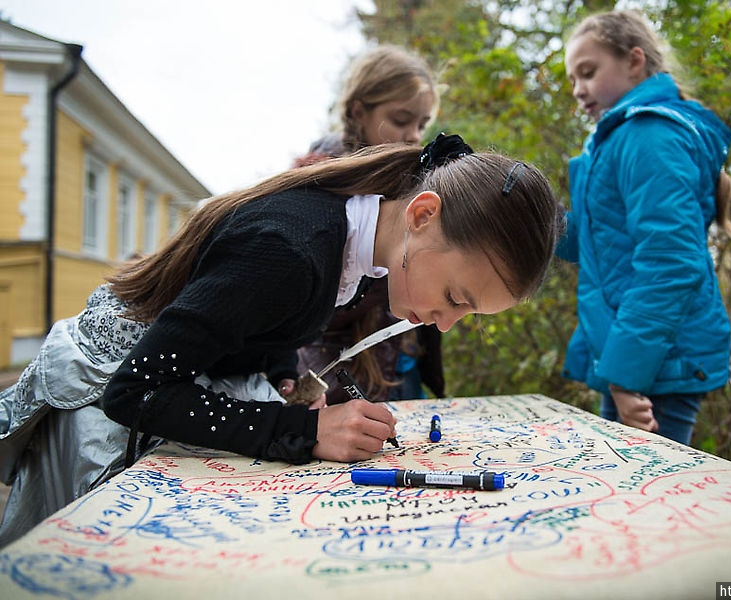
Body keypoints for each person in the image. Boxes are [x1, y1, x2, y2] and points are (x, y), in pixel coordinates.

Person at [0, 133, 561, 545]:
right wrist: (304, 430)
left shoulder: (348, 239)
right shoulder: (292, 249)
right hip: (97, 419)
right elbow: (136, 392)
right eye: (458, 298)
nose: (443, 323)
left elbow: (248, 324)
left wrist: (287, 380)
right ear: (422, 213)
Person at [558, 10, 731, 444]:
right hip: (635, 360)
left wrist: (625, 379)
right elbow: (597, 245)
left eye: (588, 72)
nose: (578, 89)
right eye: (572, 79)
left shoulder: (649, 136)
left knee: (653, 502)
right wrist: (520, 218)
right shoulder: (618, 138)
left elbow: (670, 263)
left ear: (634, 61)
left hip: (655, 364)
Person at [290, 46, 445, 405]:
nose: (412, 135)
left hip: (402, 361)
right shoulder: (320, 182)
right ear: (359, 110)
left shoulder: (413, 180)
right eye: (401, 120)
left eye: (421, 125)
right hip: (332, 368)